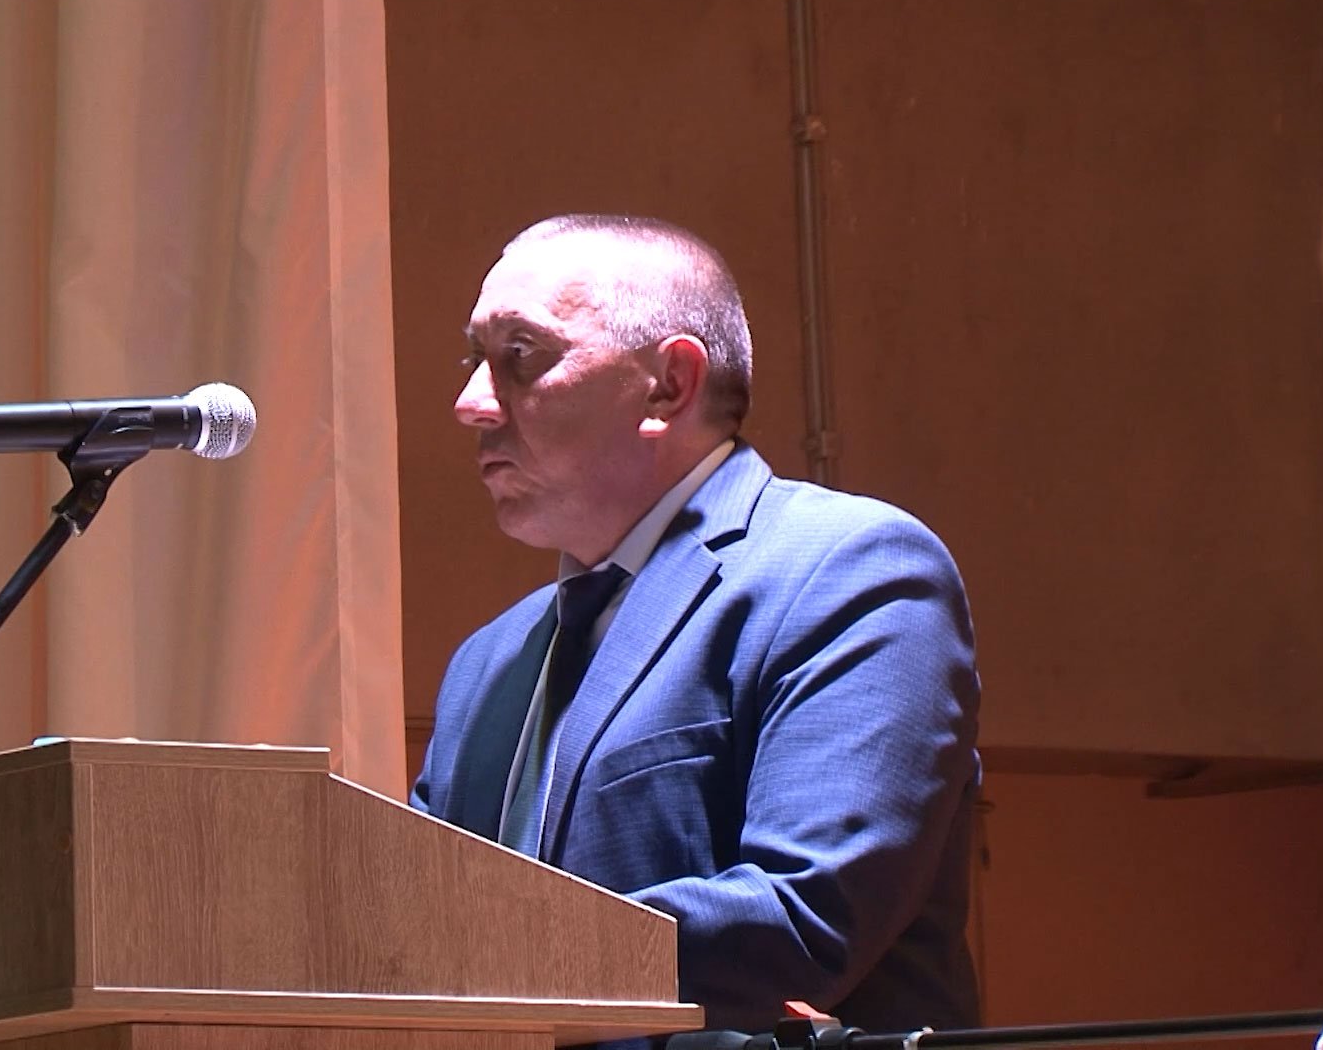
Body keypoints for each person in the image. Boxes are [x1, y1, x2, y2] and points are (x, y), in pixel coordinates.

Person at [410, 214, 982, 1040]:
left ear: (669, 386)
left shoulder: (850, 569)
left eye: (521, 356)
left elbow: (801, 916)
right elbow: (412, 921)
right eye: (474, 360)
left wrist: (472, 954)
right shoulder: (484, 663)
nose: (470, 403)